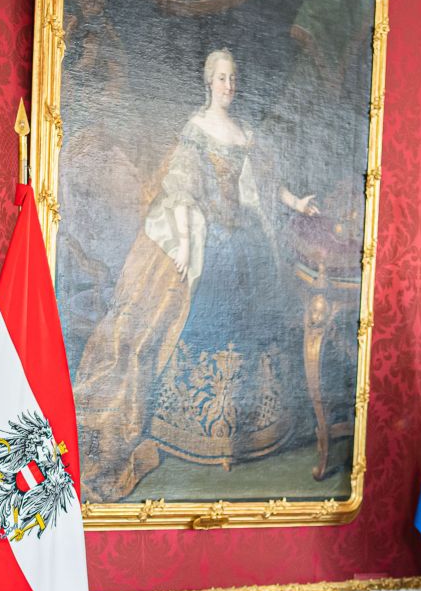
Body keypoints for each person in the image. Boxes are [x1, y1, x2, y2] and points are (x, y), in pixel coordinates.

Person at [73, 47, 322, 500]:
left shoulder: (244, 132)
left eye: (233, 78)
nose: (228, 85)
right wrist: (187, 248)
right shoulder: (195, 130)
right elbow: (183, 191)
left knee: (253, 303)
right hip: (208, 234)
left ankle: (247, 423)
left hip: (244, 234)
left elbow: (266, 184)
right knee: (206, 297)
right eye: (221, 78)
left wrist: (298, 203)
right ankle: (194, 420)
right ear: (208, 82)